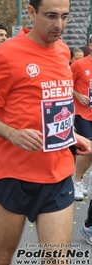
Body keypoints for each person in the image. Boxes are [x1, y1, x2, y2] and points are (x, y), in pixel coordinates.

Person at [0, 0, 92, 265]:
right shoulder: (8, 54)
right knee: (1, 258)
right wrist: (12, 134)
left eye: (65, 17)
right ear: (32, 12)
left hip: (57, 172)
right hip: (13, 174)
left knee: (57, 261)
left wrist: (70, 135)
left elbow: (54, 104)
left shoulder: (63, 51)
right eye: (51, 16)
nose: (59, 25)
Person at [70, 45, 92, 201]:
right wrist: (78, 95)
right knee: (87, 145)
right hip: (81, 112)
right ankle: (76, 181)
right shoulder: (79, 64)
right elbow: (66, 83)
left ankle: (81, 178)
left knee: (91, 150)